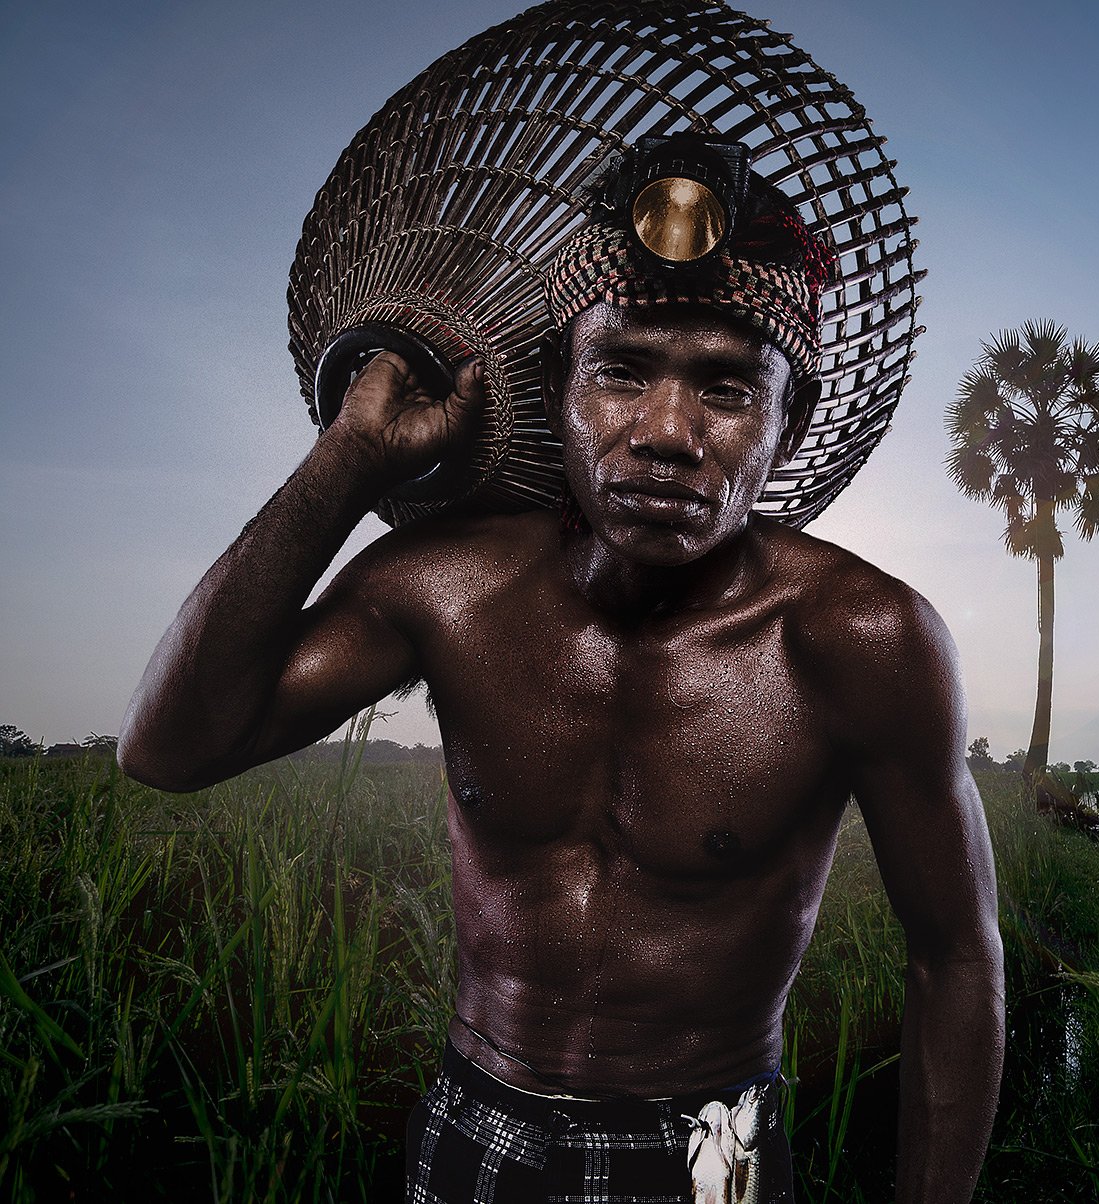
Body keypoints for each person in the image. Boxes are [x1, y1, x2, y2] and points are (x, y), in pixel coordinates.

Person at [117, 144, 1004, 1204]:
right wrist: (348, 459)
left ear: (790, 421)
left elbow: (954, 956)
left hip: (710, 1146)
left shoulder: (860, 637)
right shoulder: (449, 588)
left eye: (725, 387)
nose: (668, 433)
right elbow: (168, 747)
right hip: (476, 1119)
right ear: (557, 385)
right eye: (622, 370)